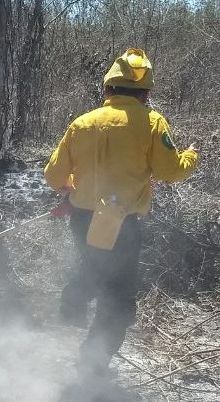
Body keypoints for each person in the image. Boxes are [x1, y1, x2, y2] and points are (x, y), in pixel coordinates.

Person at [44, 48, 198, 382]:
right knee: (119, 298)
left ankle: (73, 300)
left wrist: (73, 189)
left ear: (107, 89)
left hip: (82, 218)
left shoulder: (83, 122)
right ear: (146, 93)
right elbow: (170, 171)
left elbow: (54, 175)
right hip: (122, 225)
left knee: (93, 266)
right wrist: (191, 156)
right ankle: (93, 364)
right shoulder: (152, 123)